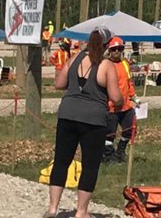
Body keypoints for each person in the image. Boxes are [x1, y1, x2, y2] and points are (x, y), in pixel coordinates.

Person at [46, 26, 122, 218]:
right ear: (106, 45)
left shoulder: (74, 59)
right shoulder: (106, 66)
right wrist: (120, 101)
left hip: (68, 114)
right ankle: (81, 211)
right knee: (90, 165)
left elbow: (59, 84)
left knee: (62, 162)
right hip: (93, 119)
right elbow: (115, 96)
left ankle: (53, 208)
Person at [103, 37, 137, 164]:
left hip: (126, 105)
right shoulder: (105, 65)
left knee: (130, 129)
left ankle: (120, 152)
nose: (117, 51)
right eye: (114, 49)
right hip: (111, 106)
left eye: (119, 49)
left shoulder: (125, 64)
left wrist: (134, 97)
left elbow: (129, 83)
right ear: (109, 51)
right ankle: (108, 156)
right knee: (109, 134)